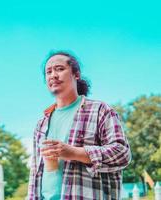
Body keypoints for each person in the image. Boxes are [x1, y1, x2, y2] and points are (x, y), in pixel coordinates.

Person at [27, 50, 131, 200]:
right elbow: (35, 172)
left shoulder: (100, 110)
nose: (53, 75)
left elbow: (122, 154)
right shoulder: (41, 124)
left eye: (60, 69)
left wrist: (74, 152)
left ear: (76, 74)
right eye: (48, 72)